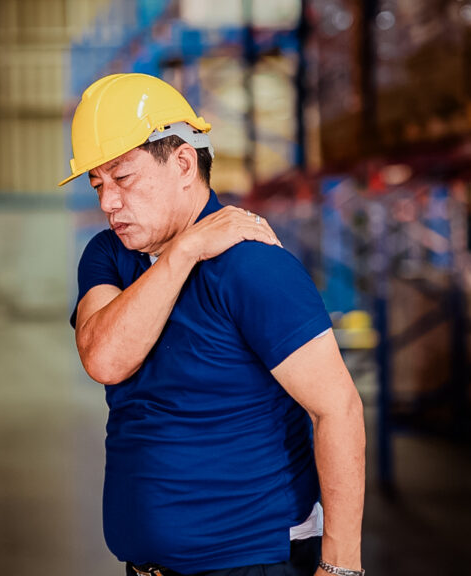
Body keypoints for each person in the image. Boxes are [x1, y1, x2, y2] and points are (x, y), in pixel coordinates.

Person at [61, 73, 366, 576]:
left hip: (252, 563)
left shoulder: (252, 267)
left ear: (183, 162)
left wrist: (341, 566)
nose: (107, 203)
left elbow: (338, 409)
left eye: (123, 178)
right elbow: (104, 358)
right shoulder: (110, 256)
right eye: (98, 184)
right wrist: (183, 252)